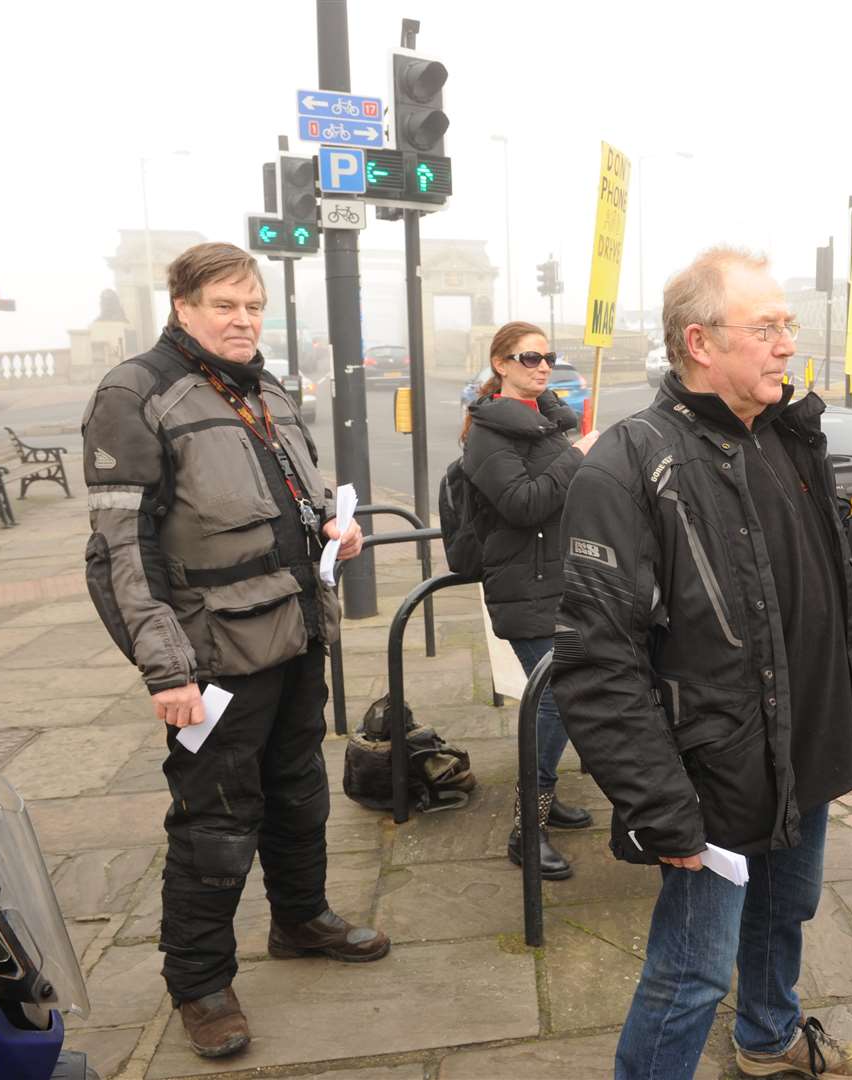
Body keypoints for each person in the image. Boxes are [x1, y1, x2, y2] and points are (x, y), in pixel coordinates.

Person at [552, 247, 852, 1080]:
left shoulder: (787, 440)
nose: (786, 345)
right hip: (711, 771)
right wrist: (659, 805)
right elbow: (597, 662)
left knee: (785, 914)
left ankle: (768, 1037)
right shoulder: (629, 463)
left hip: (801, 745)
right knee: (691, 969)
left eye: (787, 326)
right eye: (766, 327)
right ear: (699, 341)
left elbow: (830, 569)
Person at [82, 242, 388, 1060]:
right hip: (211, 656)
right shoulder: (135, 392)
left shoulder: (265, 388)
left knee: (299, 794)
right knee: (215, 823)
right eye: (225, 305)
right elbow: (120, 554)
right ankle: (201, 984)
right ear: (182, 306)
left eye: (252, 305)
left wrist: (335, 530)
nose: (243, 319)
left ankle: (300, 919)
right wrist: (166, 670)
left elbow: (296, 501)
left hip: (294, 637)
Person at [460, 321, 600, 878]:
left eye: (548, 356)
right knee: (556, 699)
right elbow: (521, 504)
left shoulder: (549, 425)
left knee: (567, 693)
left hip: (562, 581)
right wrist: (578, 457)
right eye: (528, 357)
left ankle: (546, 798)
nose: (542, 366)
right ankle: (527, 826)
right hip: (523, 588)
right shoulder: (488, 434)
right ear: (500, 364)